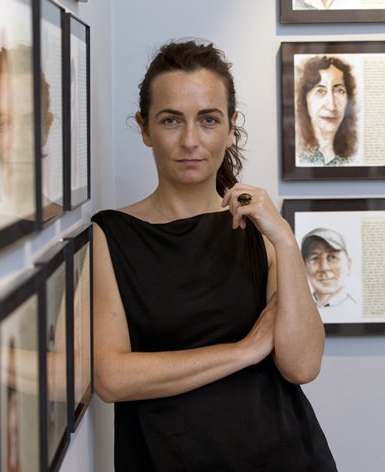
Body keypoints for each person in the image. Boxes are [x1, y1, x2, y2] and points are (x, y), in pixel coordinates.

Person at [92, 40, 336, 471]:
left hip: (284, 456)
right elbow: (112, 378)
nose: (190, 140)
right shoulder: (110, 235)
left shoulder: (262, 231)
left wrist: (283, 238)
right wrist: (244, 350)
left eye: (208, 120)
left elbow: (301, 365)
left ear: (230, 126)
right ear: (145, 128)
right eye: (171, 120)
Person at [295, 55, 358, 166]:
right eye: (320, 91)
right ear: (305, 99)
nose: (331, 105)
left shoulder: (352, 158)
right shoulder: (299, 155)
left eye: (339, 91)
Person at [301, 227, 359, 320]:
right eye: (315, 258)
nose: (324, 267)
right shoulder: (299, 311)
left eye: (332, 257)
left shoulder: (355, 309)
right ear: (304, 266)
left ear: (348, 265)